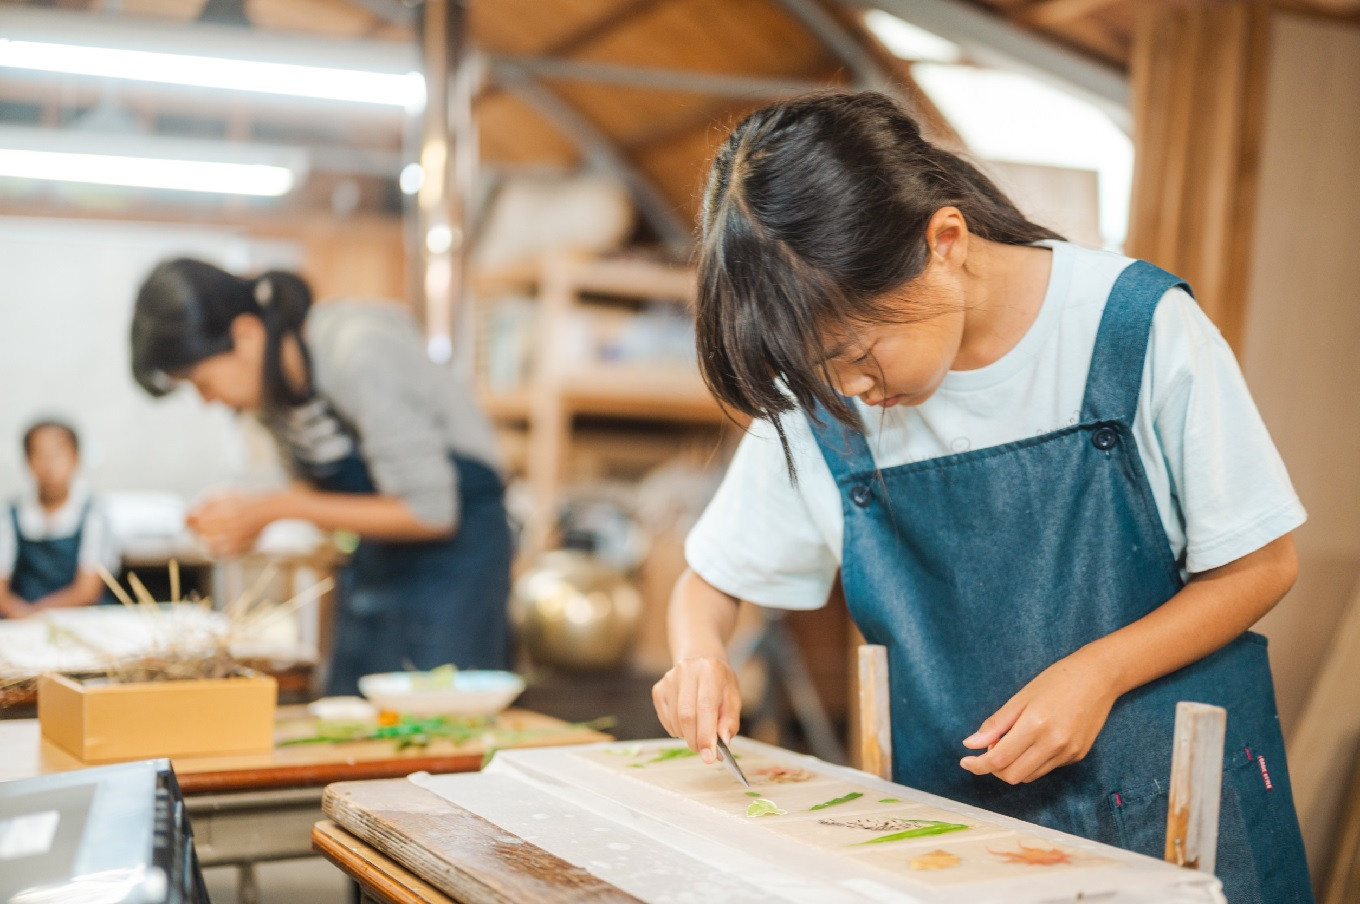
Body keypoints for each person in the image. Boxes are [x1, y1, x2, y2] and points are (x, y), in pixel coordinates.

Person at [651, 92, 1312, 903]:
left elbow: (1262, 565)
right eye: (824, 375)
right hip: (956, 840)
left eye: (860, 355)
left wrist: (1097, 674)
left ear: (946, 242)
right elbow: (710, 583)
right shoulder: (833, 390)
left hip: (1171, 825)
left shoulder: (1137, 327)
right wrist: (699, 659)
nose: (850, 391)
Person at [129, 259, 511, 694]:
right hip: (378, 560)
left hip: (457, 562)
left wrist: (273, 507)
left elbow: (432, 512)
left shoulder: (359, 350)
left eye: (203, 382)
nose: (207, 400)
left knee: (439, 724)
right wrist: (248, 519)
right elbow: (322, 497)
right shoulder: (272, 396)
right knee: (355, 710)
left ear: (246, 335)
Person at [1, 419, 119, 618]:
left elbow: (88, 590)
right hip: (21, 623)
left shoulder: (93, 514)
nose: (49, 466)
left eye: (57, 455)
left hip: (80, 620)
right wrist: (20, 614)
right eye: (40, 455)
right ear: (28, 460)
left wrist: (37, 613)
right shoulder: (10, 515)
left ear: (76, 458)